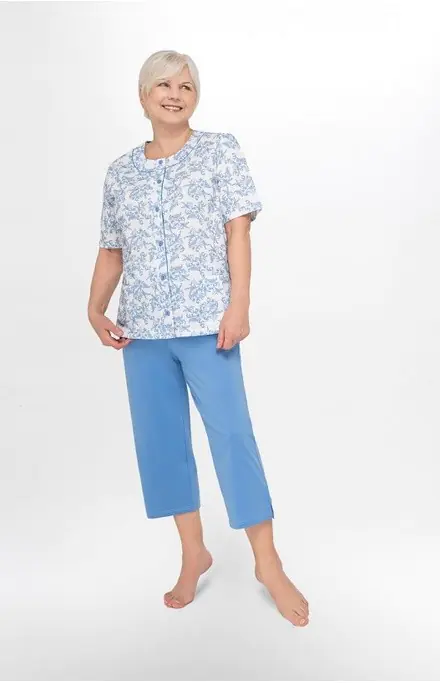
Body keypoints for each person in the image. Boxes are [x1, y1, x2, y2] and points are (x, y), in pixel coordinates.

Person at [87, 49, 309, 627]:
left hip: (209, 323)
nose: (175, 94)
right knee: (161, 444)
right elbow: (112, 249)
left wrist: (239, 305)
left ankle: (268, 562)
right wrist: (94, 308)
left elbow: (238, 232)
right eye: (163, 84)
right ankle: (193, 553)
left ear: (196, 97)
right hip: (142, 332)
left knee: (232, 436)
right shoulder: (120, 173)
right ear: (143, 97)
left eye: (186, 86)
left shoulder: (219, 151)